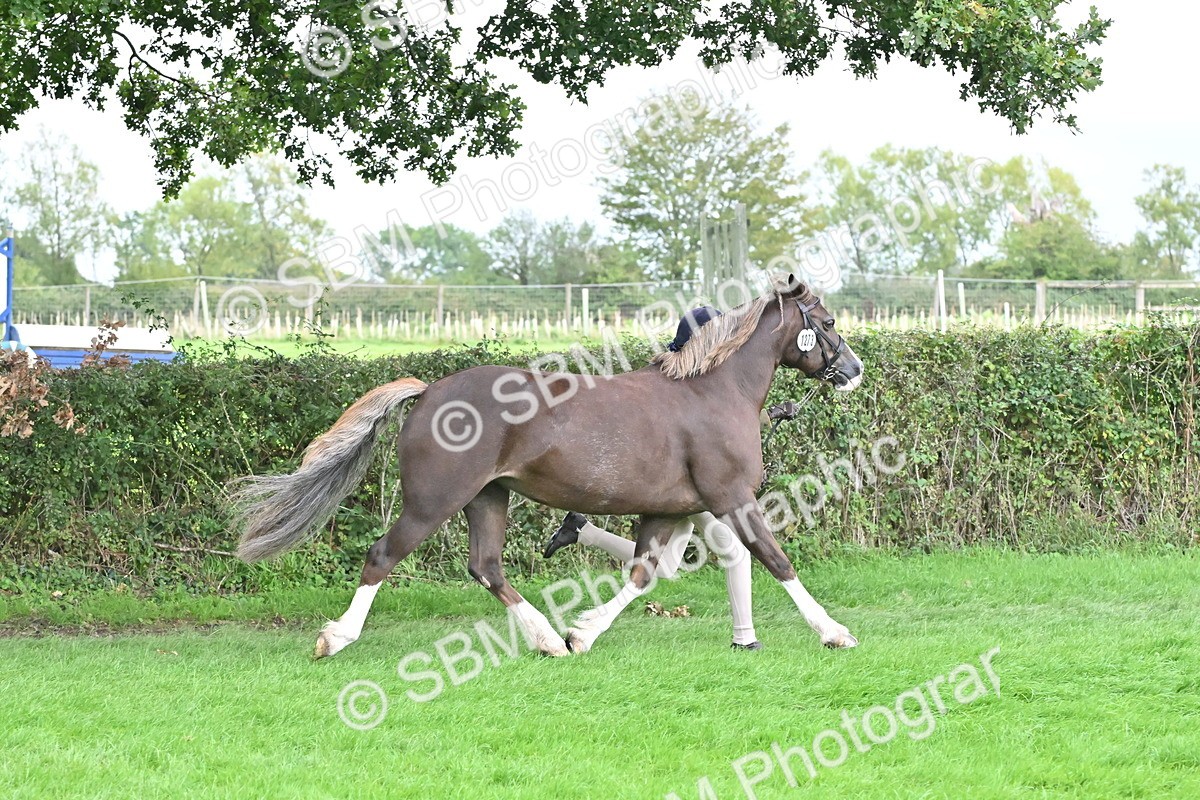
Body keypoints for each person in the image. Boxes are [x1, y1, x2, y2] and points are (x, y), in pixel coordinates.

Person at [541, 306, 799, 650]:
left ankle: (582, 532)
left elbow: (721, 430)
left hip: (682, 482)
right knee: (735, 549)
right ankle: (744, 638)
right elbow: (709, 434)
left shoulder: (696, 379)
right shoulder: (688, 382)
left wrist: (771, 414)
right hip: (691, 484)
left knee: (666, 566)